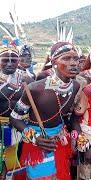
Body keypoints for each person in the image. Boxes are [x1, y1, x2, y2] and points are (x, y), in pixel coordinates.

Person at [10, 41, 81, 179]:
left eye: (76, 59)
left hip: (60, 142)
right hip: (39, 144)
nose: (73, 63)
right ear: (53, 62)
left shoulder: (75, 86)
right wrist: (35, 138)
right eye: (66, 58)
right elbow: (15, 118)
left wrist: (78, 135)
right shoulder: (36, 89)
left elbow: (67, 116)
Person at [0, 45, 34, 179]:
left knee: (19, 162)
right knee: (3, 160)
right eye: (5, 60)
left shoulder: (27, 78)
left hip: (22, 128)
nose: (9, 64)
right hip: (1, 129)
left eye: (13, 60)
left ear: (18, 61)